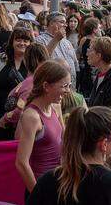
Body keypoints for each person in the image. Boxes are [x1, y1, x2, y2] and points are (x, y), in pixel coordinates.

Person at [14, 61, 69, 192]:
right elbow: (21, 163)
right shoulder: (32, 116)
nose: (68, 91)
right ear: (46, 86)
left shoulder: (55, 107)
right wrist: (38, 196)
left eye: (69, 86)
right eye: (64, 86)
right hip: (42, 189)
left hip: (59, 185)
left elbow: (64, 141)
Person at [0, 26, 33, 141]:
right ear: (12, 41)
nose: (22, 43)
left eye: (26, 40)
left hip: (20, 114)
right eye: (18, 40)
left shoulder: (32, 63)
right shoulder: (0, 59)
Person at [35, 12, 78, 82]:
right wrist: (56, 39)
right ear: (51, 23)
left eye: (65, 23)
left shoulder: (67, 42)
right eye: (62, 22)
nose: (65, 25)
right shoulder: (39, 40)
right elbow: (41, 60)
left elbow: (75, 64)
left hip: (70, 86)